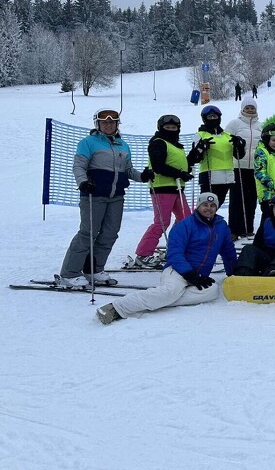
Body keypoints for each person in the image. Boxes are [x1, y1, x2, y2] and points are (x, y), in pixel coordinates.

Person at [95, 192, 238, 324]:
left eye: (213, 205)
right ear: (198, 206)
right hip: (177, 271)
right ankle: (116, 308)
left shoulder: (221, 226)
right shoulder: (185, 225)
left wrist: (234, 272)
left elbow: (228, 251)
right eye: (205, 205)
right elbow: (175, 254)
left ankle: (156, 301)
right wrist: (189, 274)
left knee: (212, 291)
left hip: (199, 275)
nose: (209, 208)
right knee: (170, 292)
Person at [57, 109, 150, 288]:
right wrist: (83, 182)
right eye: (104, 122)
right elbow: (79, 166)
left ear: (117, 124)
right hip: (94, 195)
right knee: (88, 233)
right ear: (97, 124)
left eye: (112, 122)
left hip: (116, 197)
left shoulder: (123, 145)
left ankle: (94, 270)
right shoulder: (88, 142)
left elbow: (128, 170)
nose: (108, 125)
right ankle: (69, 273)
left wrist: (142, 176)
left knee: (109, 234)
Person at [133, 114, 201, 269]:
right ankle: (143, 254)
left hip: (177, 188)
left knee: (185, 218)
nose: (171, 130)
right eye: (167, 128)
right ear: (160, 128)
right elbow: (158, 166)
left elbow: (181, 165)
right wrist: (180, 174)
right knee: (162, 222)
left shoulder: (176, 145)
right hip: (162, 188)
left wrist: (194, 156)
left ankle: (175, 248)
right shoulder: (158, 143)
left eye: (174, 128)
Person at [190, 105, 246, 207]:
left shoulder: (226, 136)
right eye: (210, 117)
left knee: (215, 207)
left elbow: (239, 156)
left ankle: (212, 223)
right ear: (204, 119)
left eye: (215, 116)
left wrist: (240, 146)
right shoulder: (200, 135)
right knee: (206, 208)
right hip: (209, 177)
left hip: (227, 177)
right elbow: (195, 158)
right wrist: (201, 147)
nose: (212, 119)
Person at [226, 97, 261, 239]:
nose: (250, 110)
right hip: (238, 166)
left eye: (252, 108)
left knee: (251, 199)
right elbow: (226, 141)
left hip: (254, 167)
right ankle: (234, 229)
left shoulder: (260, 125)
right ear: (242, 109)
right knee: (237, 198)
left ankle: (248, 228)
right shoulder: (235, 123)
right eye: (247, 108)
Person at [254, 122, 275, 219]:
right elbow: (259, 171)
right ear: (266, 139)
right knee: (268, 217)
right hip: (267, 193)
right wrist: (268, 181)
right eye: (273, 140)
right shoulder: (261, 152)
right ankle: (263, 234)